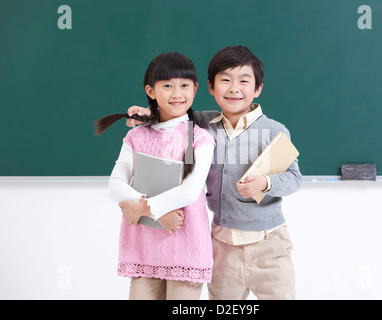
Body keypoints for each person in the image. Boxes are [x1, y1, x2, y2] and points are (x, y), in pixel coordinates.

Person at [126, 46, 303, 300]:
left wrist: (265, 182)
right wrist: (148, 114)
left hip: (269, 244)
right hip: (222, 243)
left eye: (244, 81)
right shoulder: (201, 123)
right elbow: (172, 114)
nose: (234, 88)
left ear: (258, 89)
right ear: (210, 87)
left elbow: (295, 178)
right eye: (225, 80)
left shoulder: (274, 130)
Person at [99, 52, 215, 300]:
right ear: (151, 91)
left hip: (186, 248)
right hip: (144, 248)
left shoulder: (201, 139)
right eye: (167, 86)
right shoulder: (136, 136)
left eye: (184, 85)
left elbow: (190, 191)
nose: (177, 93)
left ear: (195, 89)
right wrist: (156, 212)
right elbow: (115, 185)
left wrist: (141, 207)